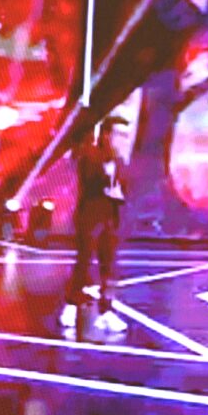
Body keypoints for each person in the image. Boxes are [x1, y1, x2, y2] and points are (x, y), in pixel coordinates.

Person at [60, 116, 129, 333]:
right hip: (90, 218)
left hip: (109, 220)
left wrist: (118, 194)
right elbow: (89, 183)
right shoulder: (90, 156)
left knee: (108, 268)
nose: (122, 139)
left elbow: (122, 188)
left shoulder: (119, 161)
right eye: (119, 134)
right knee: (84, 263)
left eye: (125, 135)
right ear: (106, 135)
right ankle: (71, 305)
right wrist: (106, 187)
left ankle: (106, 312)